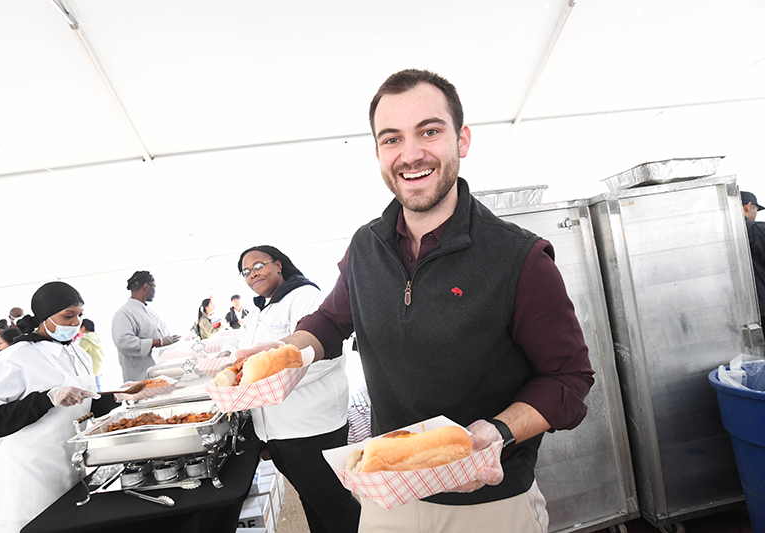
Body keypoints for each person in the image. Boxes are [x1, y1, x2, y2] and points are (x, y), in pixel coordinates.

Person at [237, 70, 595, 533]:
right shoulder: (367, 246)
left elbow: (569, 378)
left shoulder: (519, 257)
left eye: (429, 131)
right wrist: (285, 351)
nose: (410, 154)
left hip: (489, 502)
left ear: (462, 140)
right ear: (378, 153)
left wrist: (497, 431)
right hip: (390, 494)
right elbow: (330, 320)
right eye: (392, 139)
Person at [0, 281, 118, 533]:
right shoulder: (13, 358)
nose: (75, 323)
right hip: (28, 479)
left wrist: (120, 396)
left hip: (70, 470)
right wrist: (44, 399)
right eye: (67, 316)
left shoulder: (79, 354)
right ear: (44, 318)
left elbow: (83, 405)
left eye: (79, 316)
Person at [227, 245, 359, 533]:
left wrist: (268, 383)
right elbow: (246, 357)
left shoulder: (304, 296)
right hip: (277, 430)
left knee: (335, 505)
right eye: (246, 272)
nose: (252, 275)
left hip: (310, 427)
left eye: (258, 266)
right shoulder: (259, 310)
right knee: (311, 500)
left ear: (278, 264)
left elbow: (326, 357)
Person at [111, 271, 181, 382]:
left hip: (158, 373)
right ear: (146, 286)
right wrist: (158, 342)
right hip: (140, 378)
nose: (155, 291)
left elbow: (162, 335)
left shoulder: (149, 311)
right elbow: (124, 342)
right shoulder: (124, 313)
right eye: (154, 287)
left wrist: (172, 341)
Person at [742, 191, 765, 325]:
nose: (755, 214)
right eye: (756, 209)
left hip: (745, 309)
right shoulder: (756, 229)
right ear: (748, 206)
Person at [78, 319, 106, 391]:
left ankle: (99, 401)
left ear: (83, 328)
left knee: (95, 389)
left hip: (92, 367)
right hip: (100, 366)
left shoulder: (85, 339)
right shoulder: (96, 337)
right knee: (98, 386)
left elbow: (79, 353)